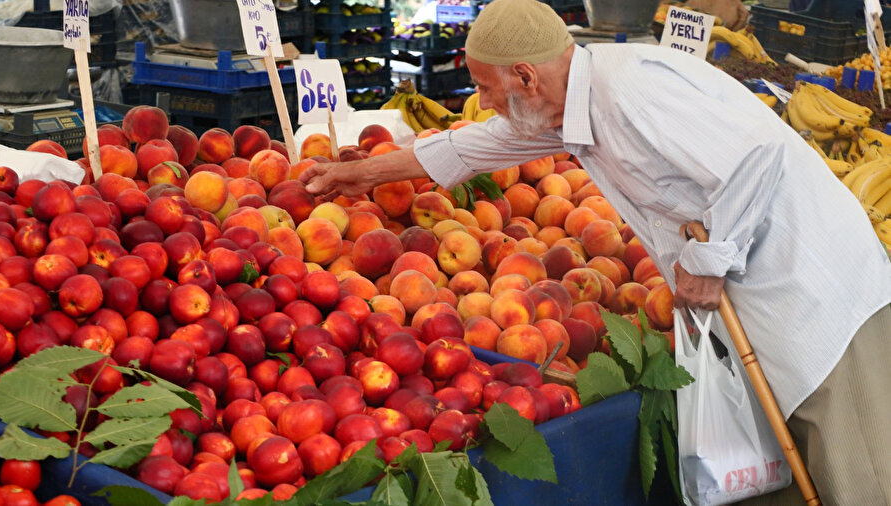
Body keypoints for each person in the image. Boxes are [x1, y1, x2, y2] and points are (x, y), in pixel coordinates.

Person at [300, 0, 891, 503]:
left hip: (816, 296)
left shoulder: (632, 91)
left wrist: (710, 263)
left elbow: (757, 153)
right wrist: (369, 173)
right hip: (765, 303)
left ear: (526, 78)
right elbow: (481, 143)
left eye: (484, 87)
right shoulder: (572, 101)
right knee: (797, 469)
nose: (481, 100)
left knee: (853, 468)